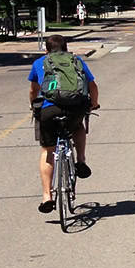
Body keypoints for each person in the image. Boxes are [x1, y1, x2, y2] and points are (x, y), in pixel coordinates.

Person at [28, 34, 99, 213]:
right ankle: (81, 159)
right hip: (75, 107)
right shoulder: (77, 61)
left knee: (47, 150)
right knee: (77, 126)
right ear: (66, 48)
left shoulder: (39, 63)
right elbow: (92, 86)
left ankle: (47, 197)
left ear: (46, 49)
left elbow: (33, 90)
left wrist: (33, 105)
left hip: (49, 110)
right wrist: (94, 103)